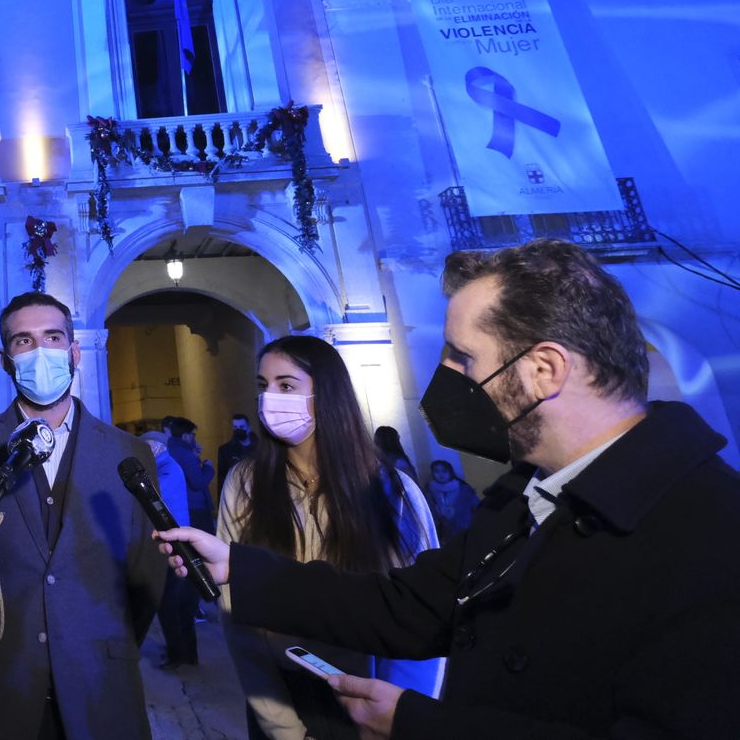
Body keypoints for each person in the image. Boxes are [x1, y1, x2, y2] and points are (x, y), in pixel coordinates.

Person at [156, 239, 740, 739]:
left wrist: (418, 725)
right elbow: (406, 605)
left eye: (463, 357)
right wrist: (240, 567)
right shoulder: (520, 502)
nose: (445, 379)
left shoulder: (713, 533)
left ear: (544, 371)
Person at [0, 291, 166, 739]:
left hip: (99, 683)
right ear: (5, 360)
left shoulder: (128, 453)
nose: (40, 351)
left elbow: (146, 574)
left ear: (74, 352)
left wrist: (106, 641)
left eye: (53, 337)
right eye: (23, 341)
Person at [218, 335, 439, 740]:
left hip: (369, 703)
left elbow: (422, 617)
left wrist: (401, 721)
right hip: (279, 702)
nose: (270, 399)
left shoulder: (392, 491)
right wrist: (284, 729)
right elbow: (235, 614)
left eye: (287, 385)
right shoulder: (245, 483)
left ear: (327, 393)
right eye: (263, 386)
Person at [141, 430, 198, 669]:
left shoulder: (167, 469)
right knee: (175, 603)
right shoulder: (164, 467)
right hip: (176, 542)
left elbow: (153, 498)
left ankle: (181, 656)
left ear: (157, 446)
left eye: (146, 446)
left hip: (175, 544)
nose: (144, 451)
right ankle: (185, 653)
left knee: (169, 604)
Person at [165, 416, 215, 531]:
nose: (194, 438)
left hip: (180, 505)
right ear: (185, 436)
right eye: (193, 434)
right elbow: (197, 482)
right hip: (196, 507)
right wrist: (208, 467)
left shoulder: (170, 449)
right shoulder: (186, 454)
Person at [422, 459, 479, 541]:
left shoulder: (463, 489)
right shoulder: (429, 491)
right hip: (444, 535)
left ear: (450, 472)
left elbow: (477, 507)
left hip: (466, 530)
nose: (441, 474)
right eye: (437, 471)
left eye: (444, 471)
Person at [216, 412, 257, 500]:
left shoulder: (260, 448)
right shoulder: (225, 451)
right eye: (235, 427)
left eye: (242, 427)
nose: (238, 430)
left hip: (257, 495)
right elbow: (222, 478)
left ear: (249, 428)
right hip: (235, 497)